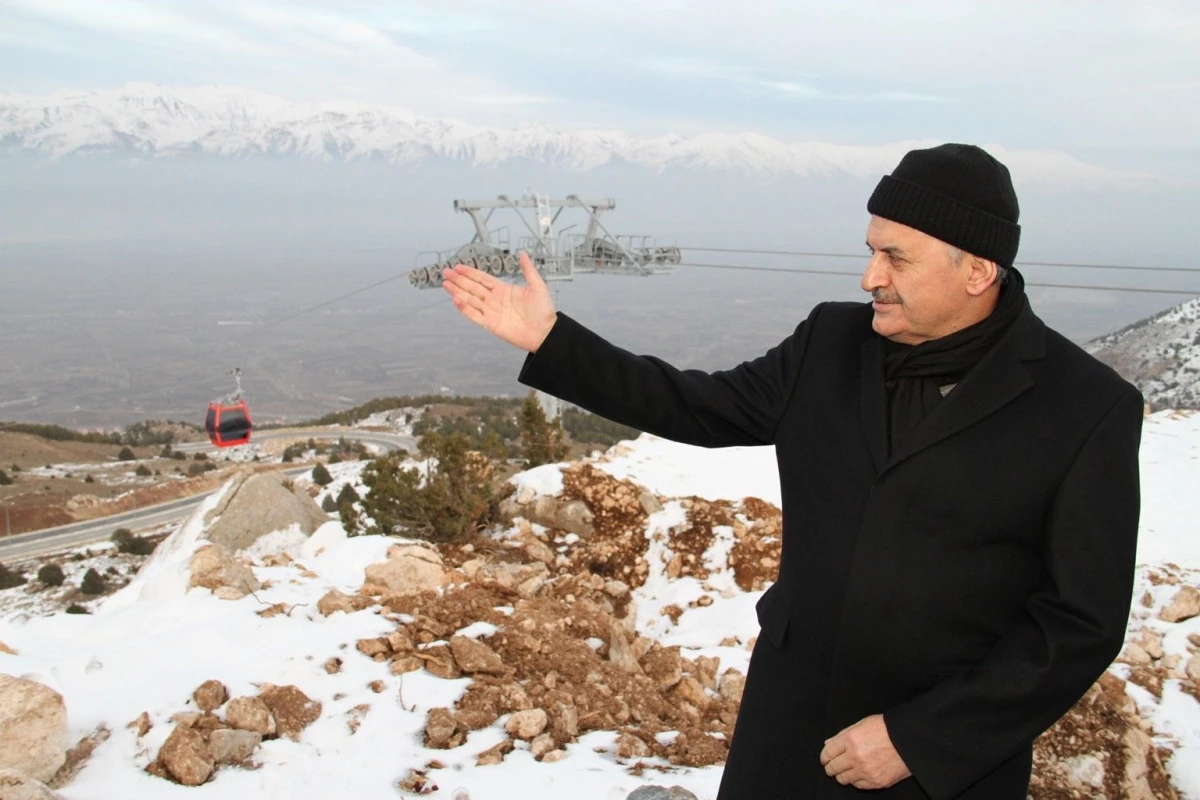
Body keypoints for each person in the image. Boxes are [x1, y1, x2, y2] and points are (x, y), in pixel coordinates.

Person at [441, 143, 1143, 800]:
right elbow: (698, 406)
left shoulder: (1084, 408)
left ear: (978, 270)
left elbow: (1079, 623)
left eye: (896, 258)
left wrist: (919, 739)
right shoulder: (832, 342)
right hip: (786, 730)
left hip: (938, 767)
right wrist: (550, 340)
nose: (871, 278)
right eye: (871, 252)